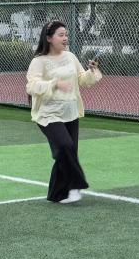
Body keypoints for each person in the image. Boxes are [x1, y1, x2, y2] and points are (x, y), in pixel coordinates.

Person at [26, 20, 102, 204]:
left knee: (67, 152)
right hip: (48, 114)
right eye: (61, 35)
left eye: (66, 35)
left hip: (71, 111)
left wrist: (92, 71)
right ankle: (75, 184)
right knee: (65, 146)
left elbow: (82, 80)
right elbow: (32, 86)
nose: (65, 38)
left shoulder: (70, 57)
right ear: (49, 38)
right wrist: (55, 84)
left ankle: (56, 194)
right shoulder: (39, 61)